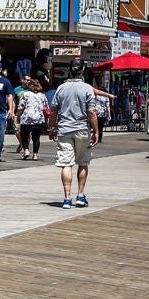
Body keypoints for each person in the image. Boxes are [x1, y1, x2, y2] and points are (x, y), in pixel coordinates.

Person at [48, 57, 98, 209]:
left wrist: (52, 128)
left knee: (66, 164)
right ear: (82, 71)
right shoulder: (87, 88)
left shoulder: (61, 88)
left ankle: (67, 198)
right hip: (82, 129)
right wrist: (96, 130)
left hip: (64, 129)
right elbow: (91, 112)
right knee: (83, 162)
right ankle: (81, 196)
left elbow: (53, 111)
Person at [16, 78, 48, 160]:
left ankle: (26, 150)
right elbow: (45, 108)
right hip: (38, 119)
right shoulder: (42, 96)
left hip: (27, 118)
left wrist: (18, 117)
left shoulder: (26, 94)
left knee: (24, 136)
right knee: (36, 138)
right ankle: (35, 155)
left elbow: (20, 107)